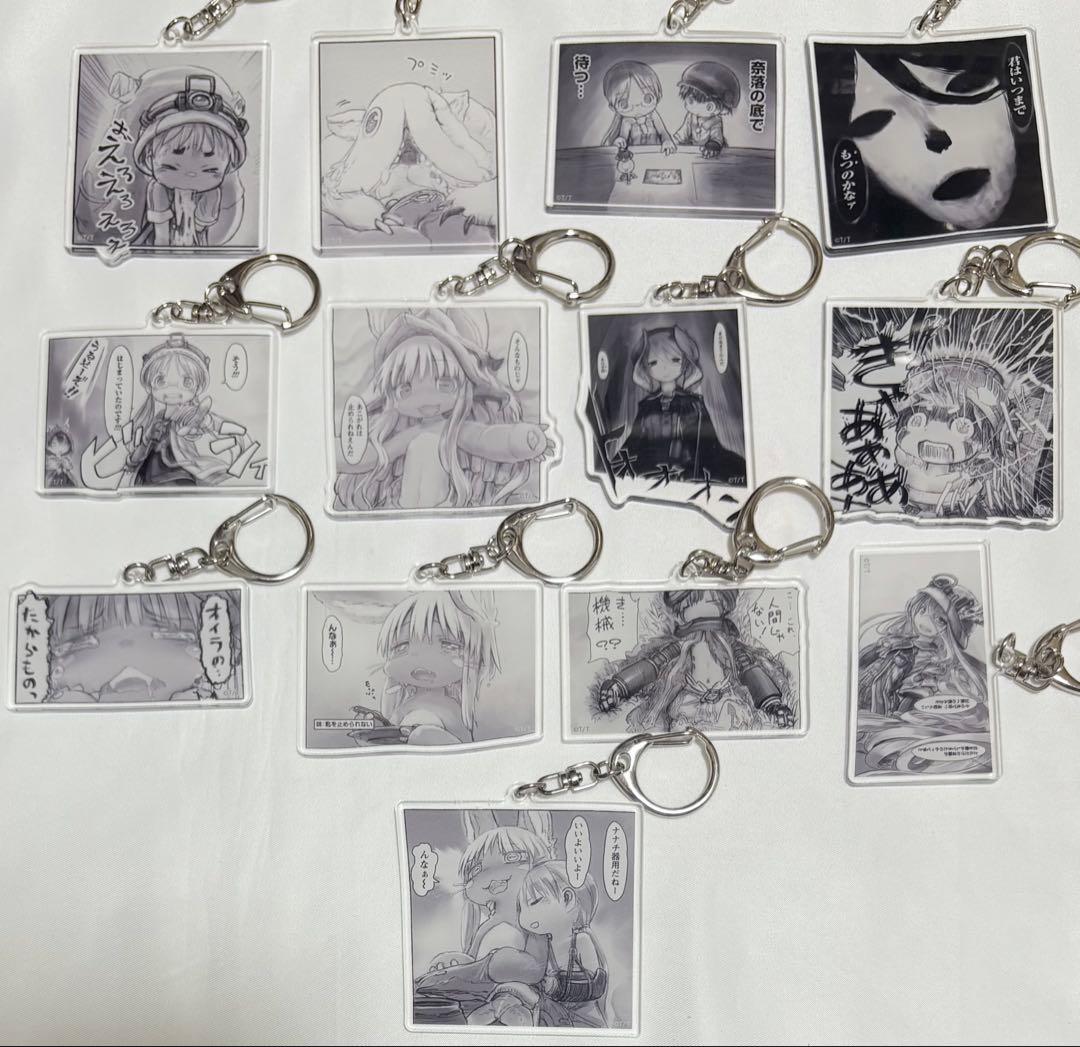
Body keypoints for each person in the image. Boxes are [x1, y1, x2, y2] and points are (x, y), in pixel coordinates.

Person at [334, 309, 551, 511]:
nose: (426, 399)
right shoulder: (406, 435)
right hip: (404, 512)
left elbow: (486, 438)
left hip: (445, 507)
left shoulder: (456, 430)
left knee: (427, 444)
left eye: (445, 385)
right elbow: (368, 457)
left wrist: (522, 440)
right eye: (405, 390)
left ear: (465, 384)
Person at [609, 326, 745, 485]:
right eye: (653, 362)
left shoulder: (694, 403)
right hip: (651, 471)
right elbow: (634, 442)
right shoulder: (647, 405)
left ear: (685, 362)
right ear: (645, 367)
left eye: (675, 360)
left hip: (687, 470)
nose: (664, 368)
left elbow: (707, 445)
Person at [515, 860, 612, 1029]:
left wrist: (558, 987)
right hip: (551, 1017)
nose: (524, 916)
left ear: (567, 899)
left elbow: (597, 984)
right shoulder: (543, 944)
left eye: (534, 902)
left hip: (582, 1019)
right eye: (521, 908)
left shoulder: (581, 940)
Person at [599, 61, 676, 153]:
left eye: (647, 98)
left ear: (658, 94)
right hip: (636, 155)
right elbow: (623, 137)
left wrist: (667, 141)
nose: (637, 106)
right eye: (624, 104)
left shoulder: (653, 116)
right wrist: (620, 141)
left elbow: (663, 132)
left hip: (656, 153)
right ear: (613, 108)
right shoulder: (627, 121)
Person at [674, 61, 741, 158]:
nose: (685, 103)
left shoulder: (715, 121)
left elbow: (716, 139)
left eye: (690, 101)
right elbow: (683, 132)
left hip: (711, 154)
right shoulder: (691, 116)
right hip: (694, 152)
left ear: (710, 107)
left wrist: (712, 146)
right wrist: (673, 141)